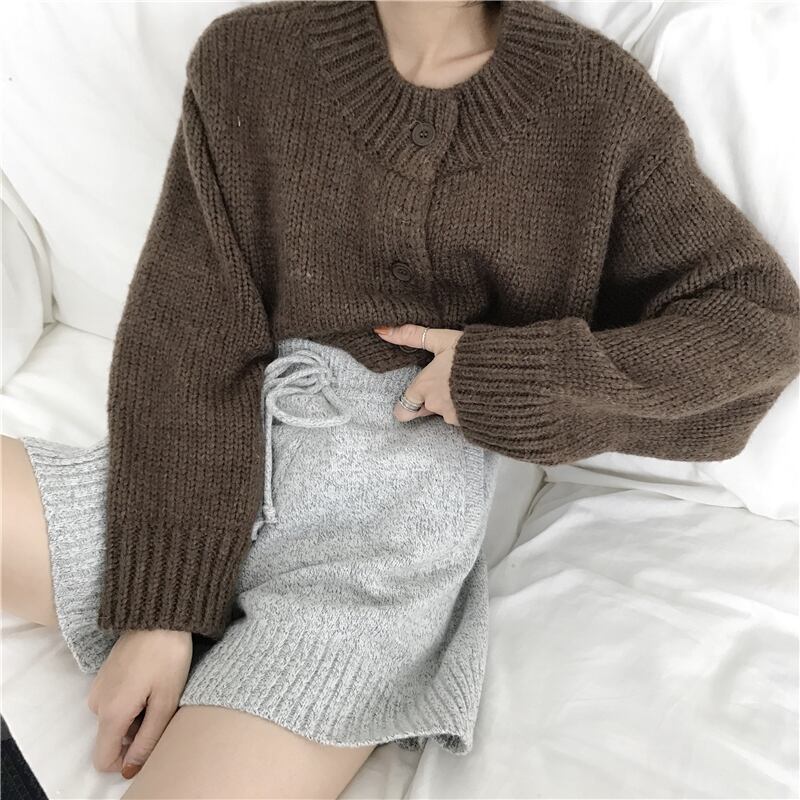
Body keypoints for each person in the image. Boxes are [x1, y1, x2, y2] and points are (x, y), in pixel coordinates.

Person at [2, 0, 798, 797]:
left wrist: (504, 378)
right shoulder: (246, 60)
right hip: (212, 472)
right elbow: (187, 334)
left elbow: (761, 323)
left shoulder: (595, 100)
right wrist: (161, 610)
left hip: (377, 564)